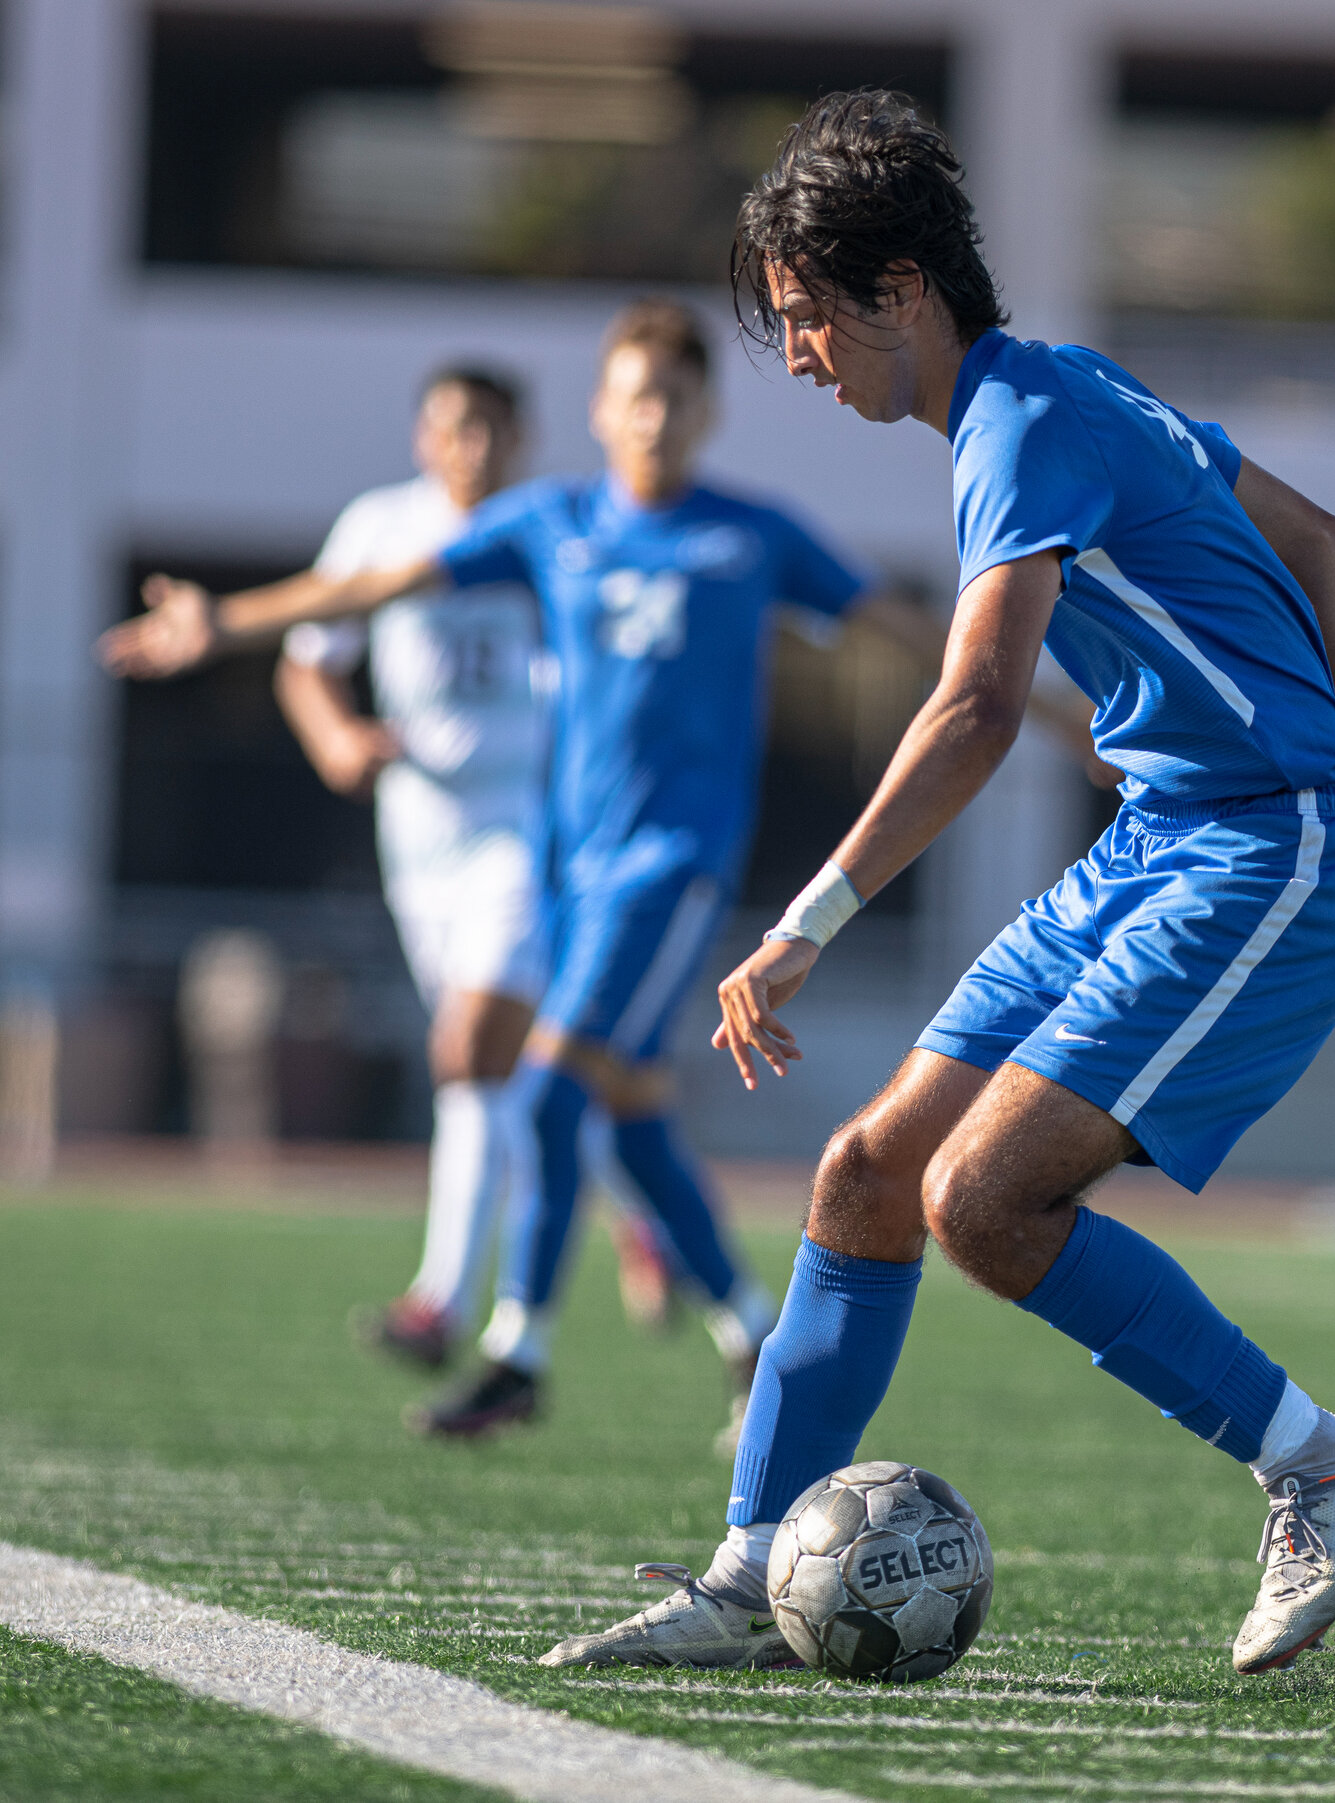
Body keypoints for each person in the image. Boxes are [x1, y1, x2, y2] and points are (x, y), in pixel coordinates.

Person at [535, 90, 1335, 1678]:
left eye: (810, 319)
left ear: (901, 291)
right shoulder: (1058, 389)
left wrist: (807, 917)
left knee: (986, 1201)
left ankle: (1322, 1459)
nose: (800, 360)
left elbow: (973, 706)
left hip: (1261, 846)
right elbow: (1327, 539)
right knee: (868, 1174)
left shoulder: (1019, 421)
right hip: (1171, 835)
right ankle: (753, 1570)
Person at [101, 298, 901, 1448]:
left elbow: (903, 627)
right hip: (563, 864)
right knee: (625, 1123)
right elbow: (373, 587)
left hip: (669, 868)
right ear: (603, 410)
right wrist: (227, 621)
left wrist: (1039, 682)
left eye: (677, 398)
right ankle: (754, 1334)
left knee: (546, 1081)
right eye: (636, 396)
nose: (655, 417)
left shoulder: (751, 534)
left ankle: (511, 1348)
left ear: (705, 413)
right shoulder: (554, 522)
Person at [253, 366, 679, 1371]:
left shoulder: (551, 534)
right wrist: (334, 739)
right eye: (454, 429)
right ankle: (637, 1204)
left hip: (524, 829)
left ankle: (441, 1303)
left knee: (468, 1047)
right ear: (423, 439)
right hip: (418, 836)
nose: (472, 449)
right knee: (513, 1073)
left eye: (492, 430)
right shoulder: (379, 527)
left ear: (522, 439)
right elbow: (308, 657)